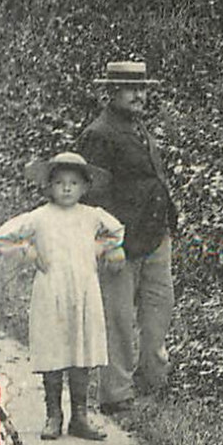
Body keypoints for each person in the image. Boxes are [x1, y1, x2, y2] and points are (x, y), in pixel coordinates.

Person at [0, 152, 125, 441]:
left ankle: (80, 416)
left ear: (84, 187)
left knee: (81, 351)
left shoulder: (91, 216)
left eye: (74, 183)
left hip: (84, 291)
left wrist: (107, 249)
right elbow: (0, 239)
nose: (66, 188)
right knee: (53, 350)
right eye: (60, 182)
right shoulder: (39, 217)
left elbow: (116, 232)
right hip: (51, 291)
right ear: (48, 186)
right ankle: (54, 414)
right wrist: (29, 252)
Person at [76, 60, 178, 414]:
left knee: (158, 311)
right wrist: (107, 242)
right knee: (117, 318)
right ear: (111, 92)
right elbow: (90, 195)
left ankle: (152, 382)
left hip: (155, 235)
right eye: (131, 88)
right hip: (120, 242)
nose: (140, 95)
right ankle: (116, 395)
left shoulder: (138, 128)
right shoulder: (99, 134)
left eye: (143, 88)